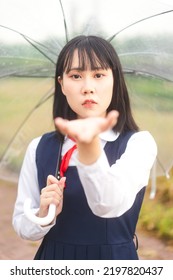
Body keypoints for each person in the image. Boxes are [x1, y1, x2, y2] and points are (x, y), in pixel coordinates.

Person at [12, 35, 157, 260]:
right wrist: (44, 214)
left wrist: (88, 148)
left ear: (115, 80)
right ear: (61, 83)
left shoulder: (139, 144)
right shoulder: (39, 147)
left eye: (99, 75)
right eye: (76, 76)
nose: (88, 87)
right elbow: (22, 226)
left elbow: (108, 204)